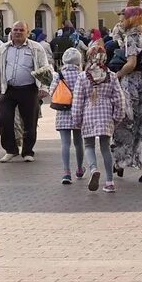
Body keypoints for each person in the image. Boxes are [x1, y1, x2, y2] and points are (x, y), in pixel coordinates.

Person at [0, 20, 52, 162]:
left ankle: (28, 151)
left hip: (29, 88)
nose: (17, 32)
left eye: (21, 30)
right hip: (8, 89)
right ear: (11, 32)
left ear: (27, 33)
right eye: (15, 30)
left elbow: (45, 68)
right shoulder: (2, 49)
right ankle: (11, 149)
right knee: (2, 119)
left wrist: (44, 87)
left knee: (30, 121)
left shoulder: (36, 48)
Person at [110, 6, 142, 184]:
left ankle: (120, 162)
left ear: (131, 19)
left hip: (132, 84)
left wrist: (117, 75)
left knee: (125, 123)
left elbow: (131, 63)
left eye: (123, 19)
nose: (121, 22)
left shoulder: (131, 37)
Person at [68, 43, 125, 194]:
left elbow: (78, 100)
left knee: (89, 145)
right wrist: (117, 117)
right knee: (106, 147)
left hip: (88, 114)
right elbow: (119, 99)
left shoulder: (82, 77)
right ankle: (110, 181)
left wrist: (77, 119)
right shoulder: (111, 76)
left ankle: (93, 169)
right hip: (106, 115)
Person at [52, 46, 86, 184]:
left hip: (62, 112)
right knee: (79, 143)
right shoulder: (82, 75)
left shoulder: (59, 75)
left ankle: (66, 172)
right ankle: (79, 168)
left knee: (65, 143)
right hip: (78, 111)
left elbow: (52, 91)